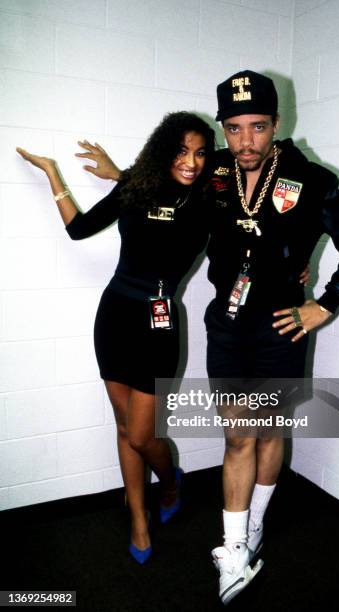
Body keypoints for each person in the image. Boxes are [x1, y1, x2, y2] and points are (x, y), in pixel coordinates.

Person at [72, 70, 339, 604]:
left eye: (257, 127)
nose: (245, 141)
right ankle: (235, 548)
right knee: (240, 435)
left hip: (280, 328)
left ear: (276, 125)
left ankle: (253, 525)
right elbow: (168, 190)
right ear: (223, 130)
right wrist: (120, 175)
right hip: (228, 324)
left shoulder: (308, 179)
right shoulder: (215, 169)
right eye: (234, 129)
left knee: (268, 429)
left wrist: (324, 304)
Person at [16, 111, 216, 565]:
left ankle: (169, 482)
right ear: (164, 151)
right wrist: (54, 173)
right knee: (124, 426)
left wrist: (292, 261)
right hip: (115, 317)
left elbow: (249, 238)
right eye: (182, 151)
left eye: (201, 153)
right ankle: (139, 519)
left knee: (144, 435)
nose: (192, 162)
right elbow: (79, 228)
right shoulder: (135, 189)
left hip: (159, 325)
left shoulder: (208, 203)